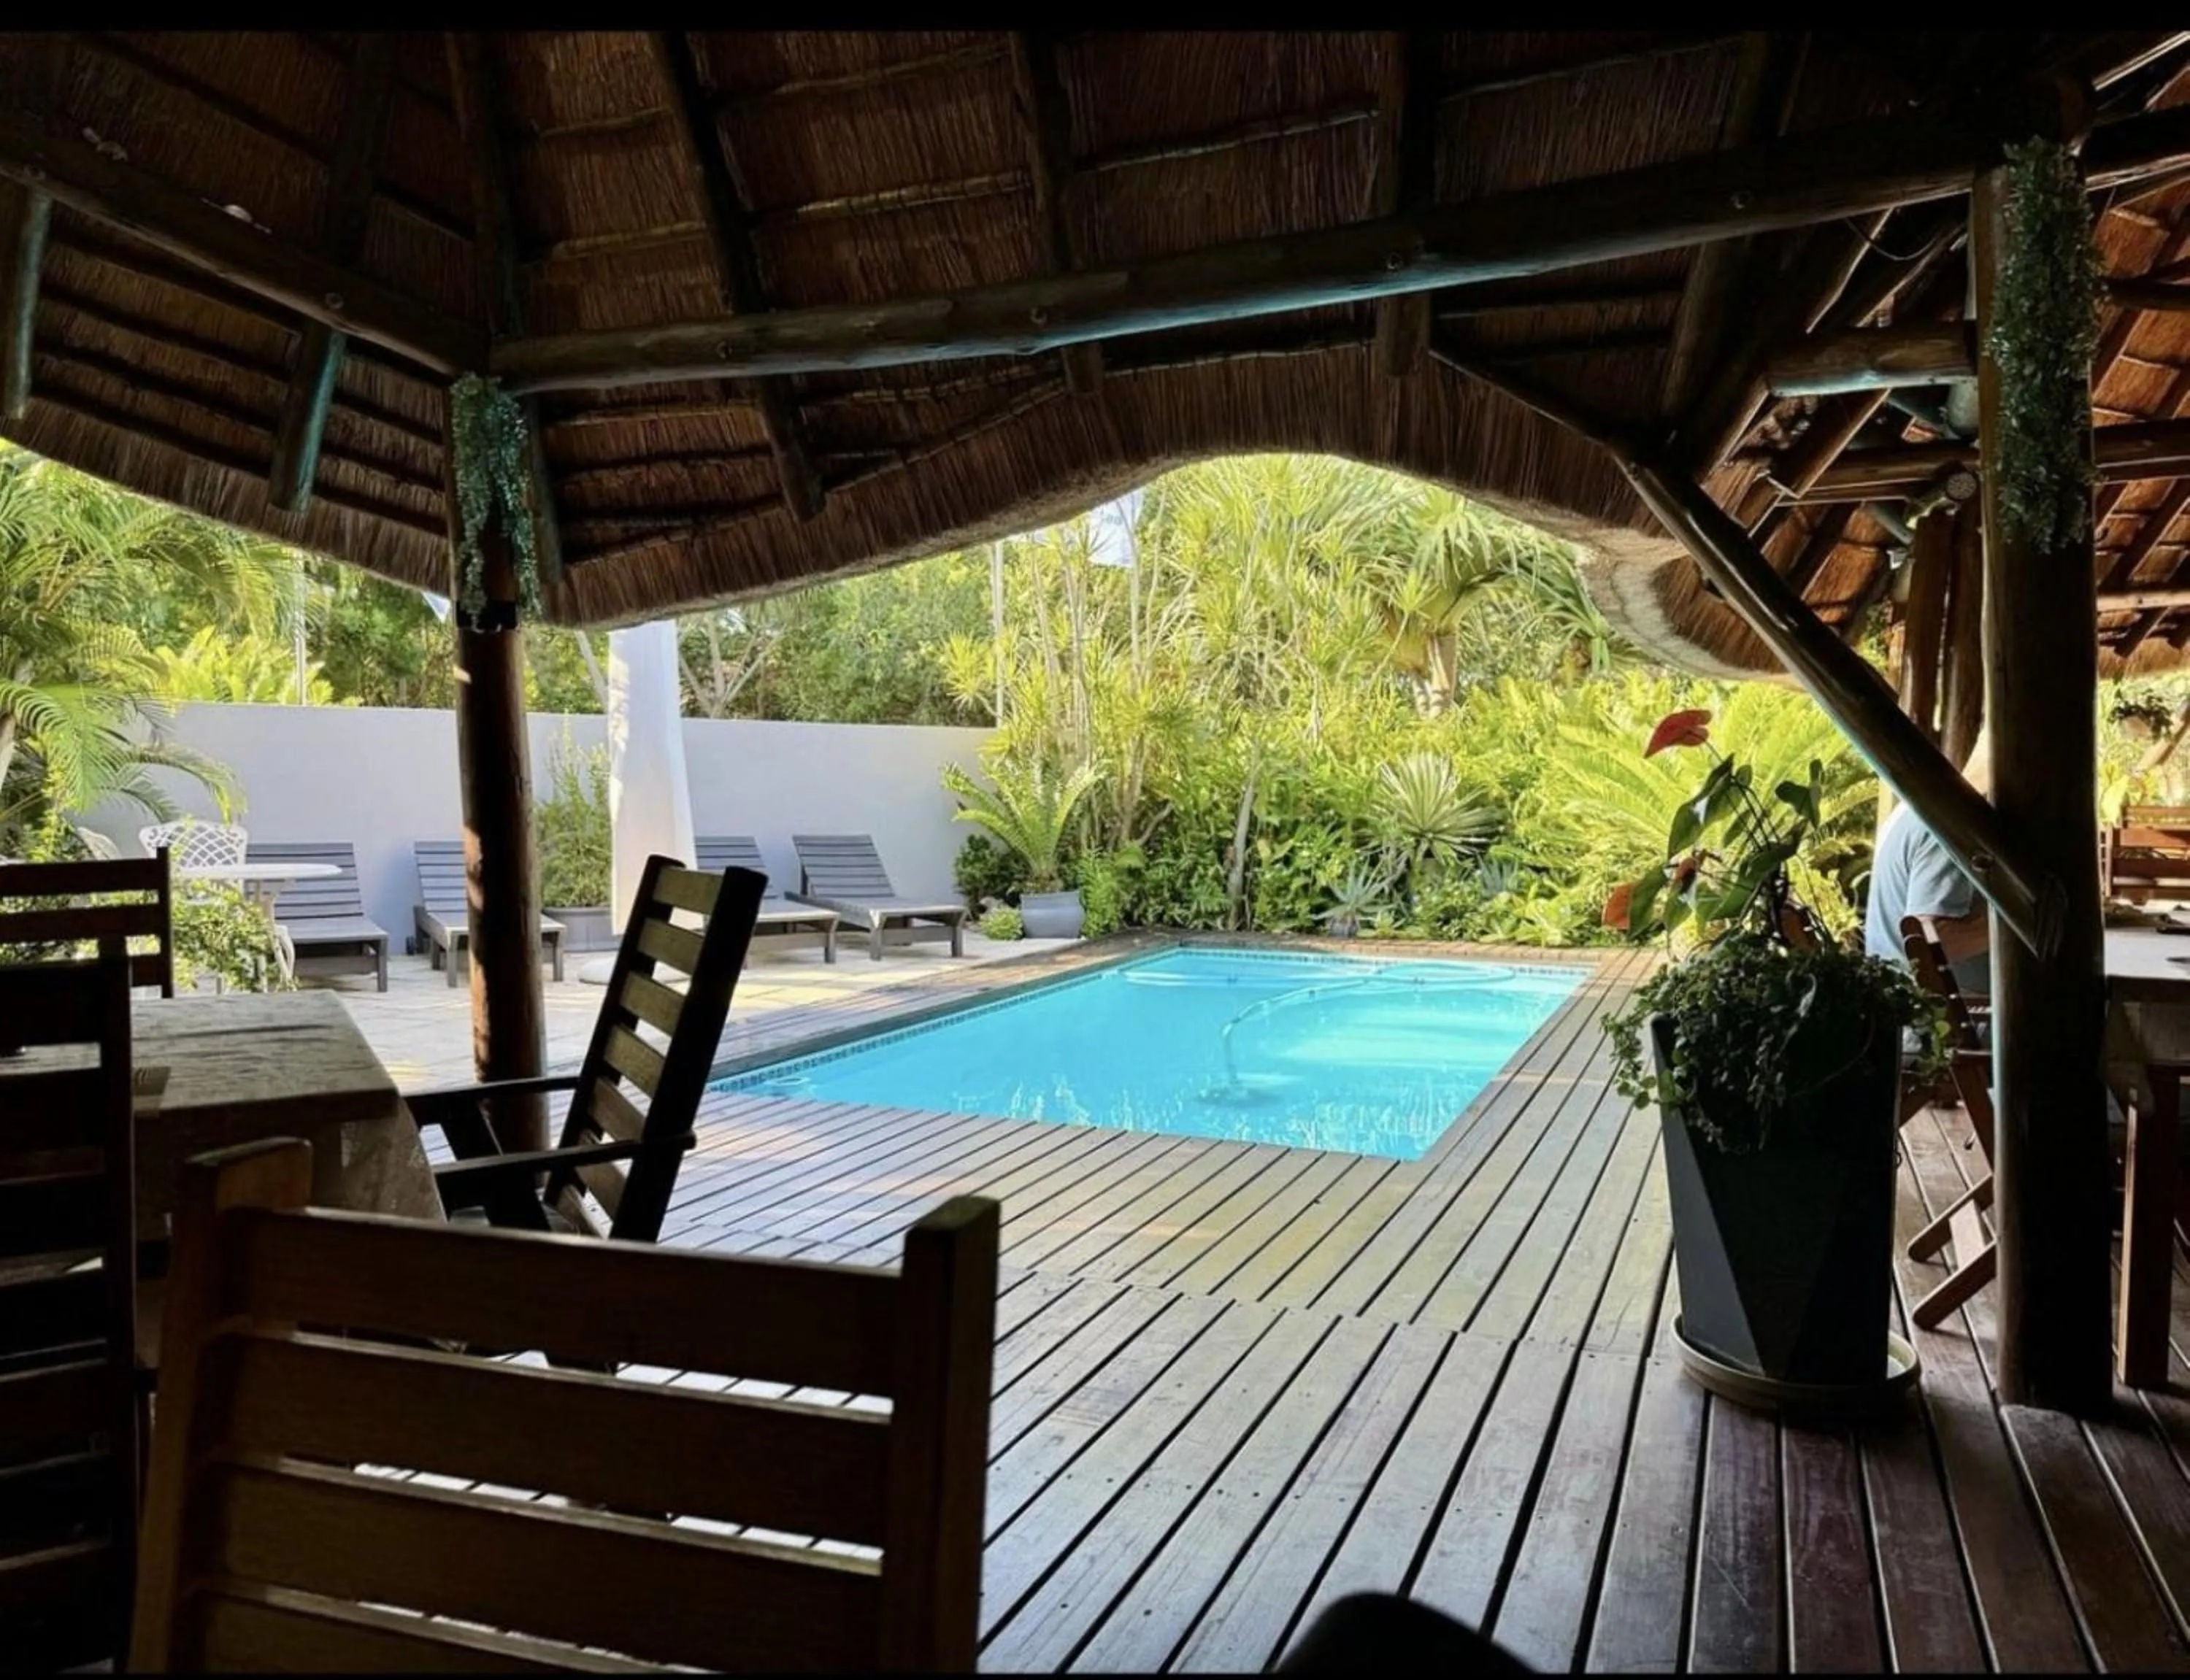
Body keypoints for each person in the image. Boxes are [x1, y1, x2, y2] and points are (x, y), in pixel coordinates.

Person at [1863, 728, 1992, 1000]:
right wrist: (2016, 928)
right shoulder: (1957, 823)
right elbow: (1931, 942)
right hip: (1930, 1014)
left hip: (1901, 1000)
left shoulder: (1916, 808)